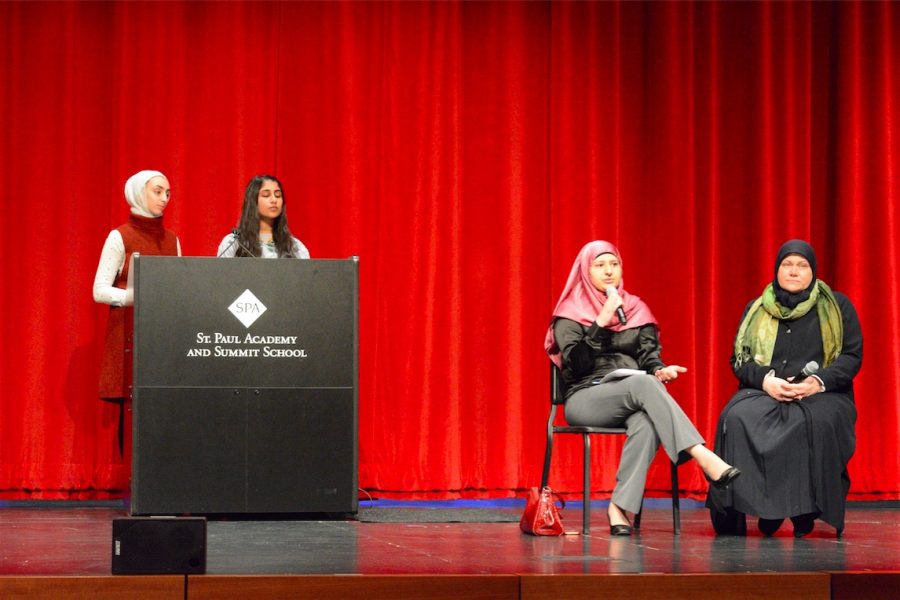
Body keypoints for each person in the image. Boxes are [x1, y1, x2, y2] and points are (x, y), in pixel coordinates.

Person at [545, 240, 740, 536]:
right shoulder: (570, 313)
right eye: (600, 266)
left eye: (614, 264)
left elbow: (649, 359)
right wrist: (600, 320)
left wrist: (660, 370)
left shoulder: (635, 309)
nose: (609, 271)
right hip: (585, 397)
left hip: (633, 393)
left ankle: (619, 508)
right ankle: (701, 455)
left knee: (647, 420)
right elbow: (576, 367)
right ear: (586, 271)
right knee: (642, 384)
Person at [707, 240, 862, 538]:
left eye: (801, 266)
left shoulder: (837, 306)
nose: (793, 272)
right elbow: (740, 360)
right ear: (777, 269)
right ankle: (758, 510)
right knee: (736, 417)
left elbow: (851, 356)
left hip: (823, 392)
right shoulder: (756, 308)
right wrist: (767, 380)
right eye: (787, 265)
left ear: (813, 272)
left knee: (809, 421)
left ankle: (801, 510)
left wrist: (816, 383)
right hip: (766, 388)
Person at [93, 170, 181, 451]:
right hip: (129, 335)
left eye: (167, 192)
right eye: (157, 191)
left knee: (164, 411)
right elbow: (99, 290)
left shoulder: (172, 240)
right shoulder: (120, 237)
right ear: (137, 192)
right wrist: (136, 297)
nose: (164, 198)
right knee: (134, 415)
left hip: (162, 335)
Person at [217, 174, 310, 259]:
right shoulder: (233, 243)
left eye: (278, 195)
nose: (274, 200)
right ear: (253, 201)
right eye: (266, 195)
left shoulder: (295, 247)